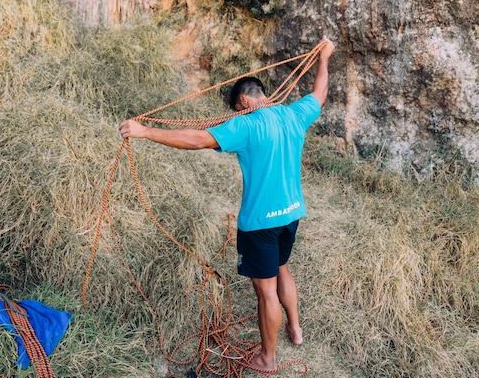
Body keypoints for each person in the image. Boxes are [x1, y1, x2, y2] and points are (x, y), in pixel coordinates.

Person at [119, 37, 335, 372]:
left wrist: (145, 131)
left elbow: (199, 139)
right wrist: (324, 59)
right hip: (292, 214)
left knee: (266, 293)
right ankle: (295, 329)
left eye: (235, 108)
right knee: (282, 269)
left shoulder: (246, 123)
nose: (235, 113)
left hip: (259, 222)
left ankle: (268, 358)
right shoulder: (294, 114)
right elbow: (319, 95)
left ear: (245, 100)